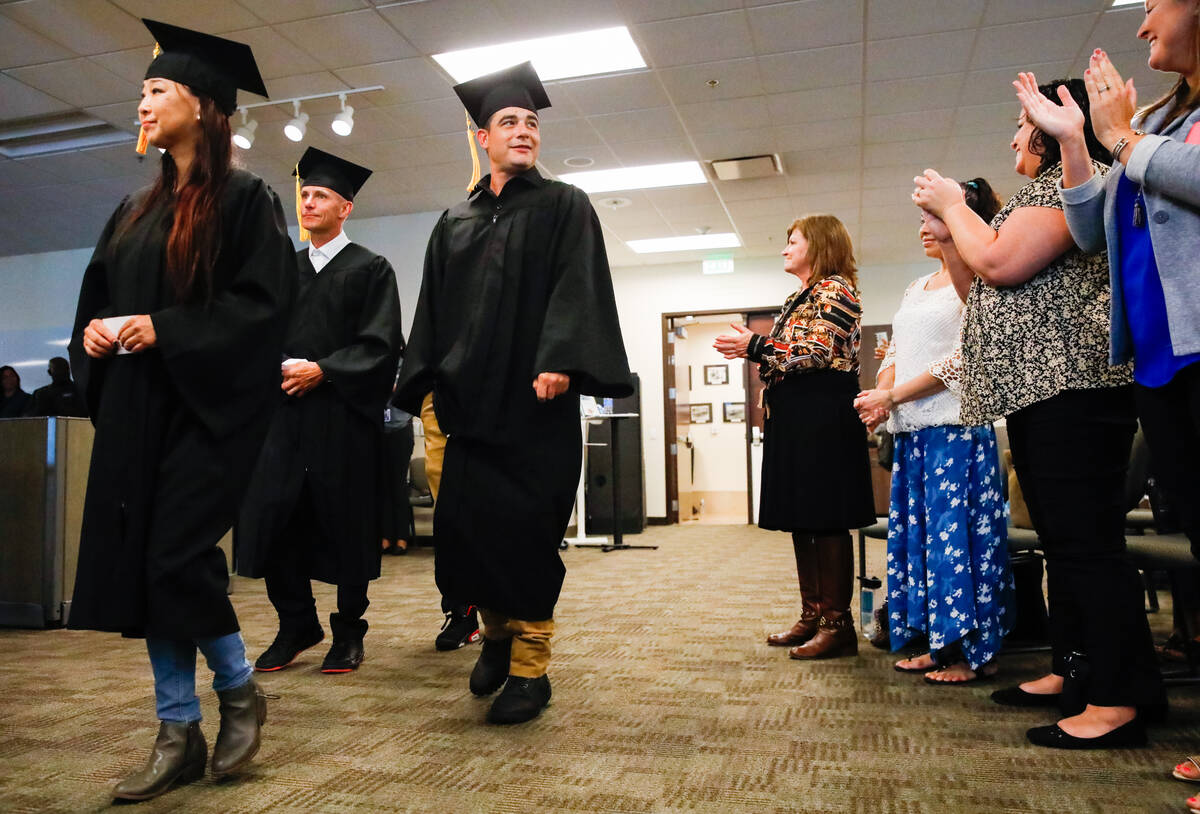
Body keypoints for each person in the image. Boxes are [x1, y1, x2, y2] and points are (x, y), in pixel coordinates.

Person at [67, 20, 294, 801]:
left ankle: (236, 691)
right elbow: (98, 299)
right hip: (138, 410)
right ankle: (177, 732)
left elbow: (262, 309)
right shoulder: (132, 209)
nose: (142, 101)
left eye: (156, 89)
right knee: (147, 570)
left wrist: (166, 328)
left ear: (202, 106)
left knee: (174, 557)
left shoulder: (246, 200)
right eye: (141, 91)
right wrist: (96, 336)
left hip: (206, 414)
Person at [912, 76, 1164, 749]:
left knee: (1086, 548)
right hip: (1039, 390)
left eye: (1023, 123)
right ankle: (1076, 670)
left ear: (1058, 124)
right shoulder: (1034, 194)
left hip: (1072, 387)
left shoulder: (1076, 183)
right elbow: (979, 288)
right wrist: (950, 238)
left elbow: (998, 260)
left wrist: (954, 203)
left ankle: (1117, 698)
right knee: (1067, 545)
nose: (1012, 136)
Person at [393, 61, 633, 725]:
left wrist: (560, 358)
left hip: (534, 403)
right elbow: (432, 311)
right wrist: (425, 384)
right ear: (483, 138)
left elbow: (577, 285)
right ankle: (494, 635)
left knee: (526, 534)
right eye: (509, 122)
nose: (524, 131)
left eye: (531, 122)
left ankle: (531, 668)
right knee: (467, 532)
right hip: (465, 407)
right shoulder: (454, 220)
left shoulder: (563, 205)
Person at [1012, 0, 1200, 783]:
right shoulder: (1161, 112)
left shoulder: (1143, 125)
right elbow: (1092, 228)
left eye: (1153, 4)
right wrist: (1074, 145)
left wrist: (1120, 137)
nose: (1141, 23)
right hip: (1156, 359)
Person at [237, 148, 404, 675]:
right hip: (283, 421)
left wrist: (324, 370)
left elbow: (381, 345)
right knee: (276, 519)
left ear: (345, 208)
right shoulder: (283, 269)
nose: (308, 202)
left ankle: (348, 633)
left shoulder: (370, 268)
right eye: (305, 194)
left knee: (347, 524)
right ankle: (296, 624)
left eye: (321, 195)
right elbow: (255, 332)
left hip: (342, 420)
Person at [853, 180, 1016, 685]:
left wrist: (894, 396)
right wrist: (883, 395)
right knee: (919, 543)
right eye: (922, 219)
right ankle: (935, 640)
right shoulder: (915, 287)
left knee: (958, 545)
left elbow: (968, 358)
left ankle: (971, 651)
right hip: (912, 434)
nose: (925, 228)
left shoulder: (978, 282)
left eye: (934, 218)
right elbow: (898, 351)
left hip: (956, 430)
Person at [714, 214, 876, 660]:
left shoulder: (836, 289)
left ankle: (837, 625)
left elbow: (816, 353)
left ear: (819, 245)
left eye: (793, 241)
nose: (785, 249)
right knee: (804, 517)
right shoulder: (796, 297)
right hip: (796, 414)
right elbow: (782, 361)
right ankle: (813, 614)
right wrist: (757, 349)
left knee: (826, 517)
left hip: (824, 413)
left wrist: (753, 345)